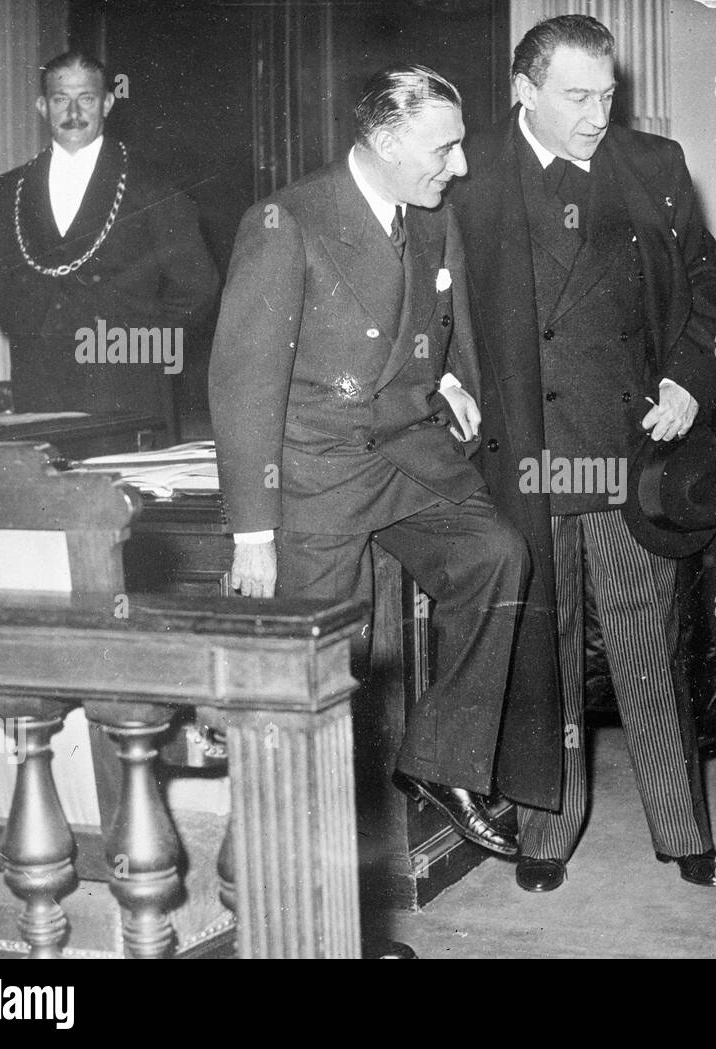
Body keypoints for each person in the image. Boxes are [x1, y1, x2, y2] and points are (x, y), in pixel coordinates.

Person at [208, 64, 528, 857]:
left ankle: (441, 761)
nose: (459, 166)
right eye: (443, 148)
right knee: (327, 672)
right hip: (318, 467)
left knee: (496, 554)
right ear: (385, 141)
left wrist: (446, 375)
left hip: (408, 456)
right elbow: (244, 383)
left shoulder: (428, 213)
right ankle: (307, 883)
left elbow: (429, 319)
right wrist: (254, 531)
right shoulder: (289, 220)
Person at [453, 14, 716, 892]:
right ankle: (547, 830)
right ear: (521, 90)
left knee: (650, 640)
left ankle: (683, 830)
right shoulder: (464, 175)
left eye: (607, 94)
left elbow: (705, 290)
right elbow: (435, 304)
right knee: (547, 648)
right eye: (575, 96)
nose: (595, 113)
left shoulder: (655, 166)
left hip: (624, 454)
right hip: (526, 454)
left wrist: (691, 374)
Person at [0, 50, 217, 431]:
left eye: (86, 98)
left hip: (126, 388)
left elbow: (198, 286)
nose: (73, 112)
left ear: (106, 102)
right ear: (43, 106)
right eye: (61, 99)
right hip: (41, 385)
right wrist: (40, 333)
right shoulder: (11, 189)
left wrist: (141, 348)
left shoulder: (150, 187)